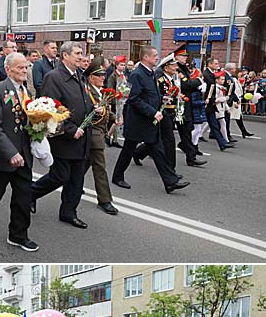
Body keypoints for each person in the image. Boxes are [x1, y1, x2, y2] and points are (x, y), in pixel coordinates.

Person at [0, 49, 38, 252]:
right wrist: (11, 152)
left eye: (26, 66)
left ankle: (18, 235)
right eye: (20, 67)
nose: (24, 70)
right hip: (4, 156)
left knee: (23, 196)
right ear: (8, 69)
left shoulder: (26, 90)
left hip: (24, 154)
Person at [112, 45, 189, 195]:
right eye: (154, 55)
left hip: (148, 120)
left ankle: (170, 182)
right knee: (128, 150)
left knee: (158, 150)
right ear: (146, 57)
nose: (157, 58)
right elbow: (133, 99)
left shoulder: (150, 73)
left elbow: (150, 95)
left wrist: (162, 98)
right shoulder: (137, 74)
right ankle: (117, 176)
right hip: (138, 121)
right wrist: (153, 112)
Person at [30, 41, 91, 229]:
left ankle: (69, 212)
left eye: (82, 53)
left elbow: (82, 101)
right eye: (78, 53)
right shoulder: (53, 77)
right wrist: (71, 129)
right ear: (65, 56)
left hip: (82, 136)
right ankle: (31, 193)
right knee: (60, 176)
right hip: (65, 137)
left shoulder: (79, 75)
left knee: (77, 178)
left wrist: (93, 109)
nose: (82, 57)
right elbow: (50, 109)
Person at [85, 61, 118, 215]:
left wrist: (113, 117)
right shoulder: (87, 91)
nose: (103, 78)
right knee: (100, 168)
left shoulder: (99, 91)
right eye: (100, 75)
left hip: (99, 133)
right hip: (93, 134)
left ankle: (73, 186)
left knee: (80, 167)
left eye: (104, 75)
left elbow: (104, 109)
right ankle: (104, 200)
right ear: (91, 77)